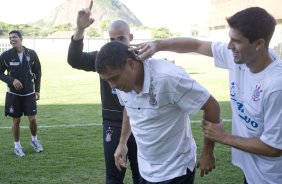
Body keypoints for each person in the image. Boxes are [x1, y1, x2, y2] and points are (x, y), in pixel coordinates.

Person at [133, 7, 282, 184]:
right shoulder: (241, 57)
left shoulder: (275, 86)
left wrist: (223, 137)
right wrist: (158, 45)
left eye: (236, 41)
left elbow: (274, 147)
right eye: (230, 39)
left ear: (258, 43)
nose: (229, 46)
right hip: (253, 171)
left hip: (272, 176)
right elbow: (196, 45)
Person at [95, 40, 220, 184]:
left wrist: (208, 152)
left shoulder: (169, 77)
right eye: (107, 81)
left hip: (176, 170)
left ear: (131, 64)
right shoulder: (122, 85)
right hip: (146, 168)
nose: (113, 86)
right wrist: (122, 143)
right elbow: (129, 108)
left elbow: (212, 106)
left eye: (114, 78)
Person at [67, 1, 139, 183]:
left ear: (131, 36)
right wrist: (80, 29)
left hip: (140, 123)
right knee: (114, 177)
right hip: (113, 125)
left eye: (121, 38)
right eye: (112, 40)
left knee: (143, 176)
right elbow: (75, 59)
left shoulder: (140, 57)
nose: (116, 44)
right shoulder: (103, 56)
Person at [0, 30, 43, 157]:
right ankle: (17, 146)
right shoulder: (6, 55)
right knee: (16, 121)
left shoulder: (32, 54)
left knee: (33, 120)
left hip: (29, 93)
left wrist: (38, 90)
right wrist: (11, 80)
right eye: (10, 38)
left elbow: (38, 73)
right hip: (14, 95)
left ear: (21, 38)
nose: (12, 39)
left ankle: (34, 140)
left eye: (14, 37)